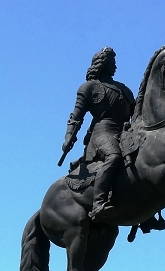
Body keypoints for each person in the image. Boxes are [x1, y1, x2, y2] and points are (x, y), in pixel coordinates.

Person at [61, 47, 135, 219]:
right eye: (112, 62)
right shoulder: (89, 87)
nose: (115, 66)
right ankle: (98, 203)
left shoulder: (124, 89)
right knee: (114, 156)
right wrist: (68, 137)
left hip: (125, 130)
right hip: (103, 132)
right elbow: (75, 117)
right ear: (103, 64)